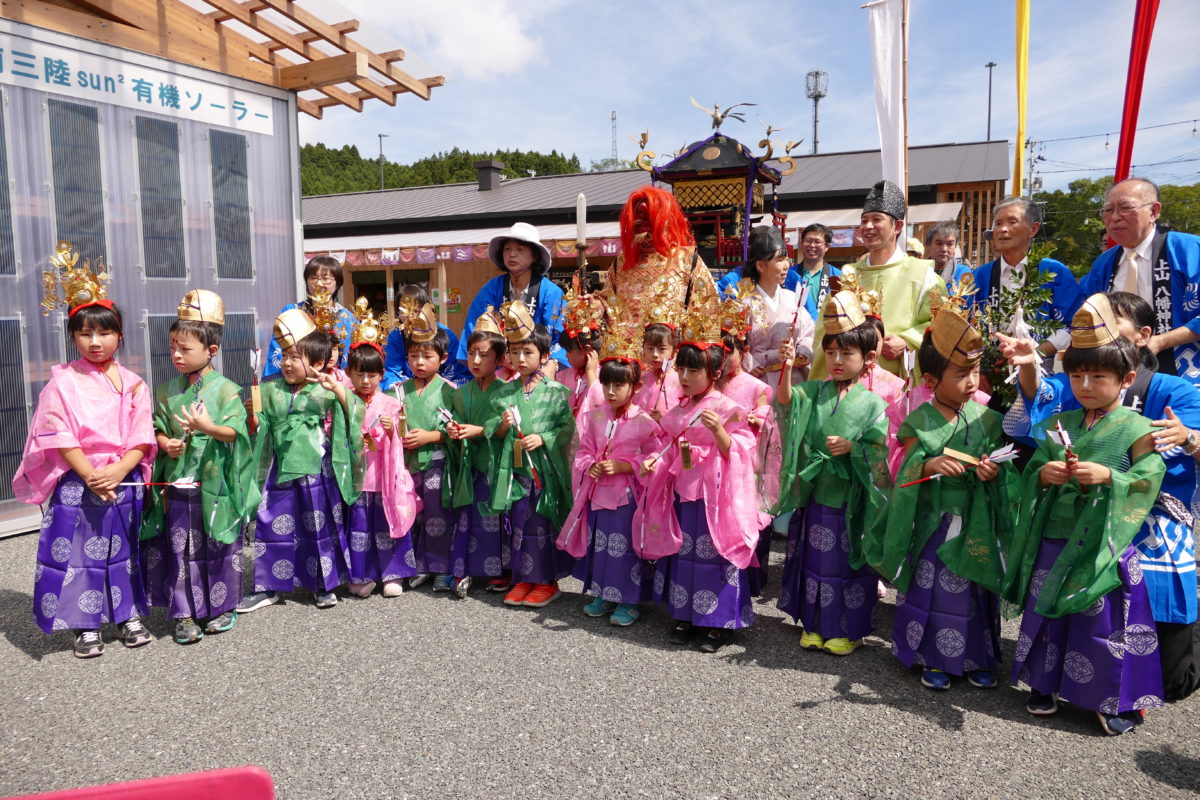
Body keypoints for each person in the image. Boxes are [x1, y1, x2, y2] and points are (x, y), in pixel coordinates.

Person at [998, 291, 1200, 702]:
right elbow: (1040, 406)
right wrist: (1028, 370)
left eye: (1110, 322)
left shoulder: (1175, 390)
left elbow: (1149, 472)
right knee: (1053, 599)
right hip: (1070, 519)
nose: (1085, 385)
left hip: (1151, 516)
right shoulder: (1079, 389)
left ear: (1139, 340)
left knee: (1166, 672)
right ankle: (1048, 680)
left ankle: (1111, 687)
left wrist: (1191, 437)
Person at [14, 244, 155, 658]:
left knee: (123, 548)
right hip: (78, 481)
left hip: (122, 477)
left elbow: (142, 434)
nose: (95, 342)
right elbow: (56, 432)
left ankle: (127, 615)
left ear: (119, 335)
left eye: (105, 332)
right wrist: (91, 473)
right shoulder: (62, 382)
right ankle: (84, 624)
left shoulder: (132, 383)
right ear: (73, 336)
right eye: (85, 333)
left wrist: (118, 470)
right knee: (78, 552)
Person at [871, 299, 1015, 691]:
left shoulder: (988, 417)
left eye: (975, 372)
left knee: (974, 588)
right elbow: (898, 464)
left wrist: (992, 472)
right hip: (934, 519)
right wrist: (928, 466)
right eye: (962, 374)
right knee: (935, 588)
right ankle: (931, 655)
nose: (972, 382)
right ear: (932, 381)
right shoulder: (917, 418)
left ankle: (978, 656)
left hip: (975, 520)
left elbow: (1005, 466)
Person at [634, 289, 760, 653]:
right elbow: (668, 445)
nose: (685, 377)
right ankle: (685, 613)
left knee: (714, 553)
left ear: (714, 372)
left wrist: (720, 432)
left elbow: (744, 450)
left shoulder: (729, 407)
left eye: (694, 370)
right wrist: (654, 460)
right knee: (683, 550)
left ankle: (719, 622)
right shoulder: (678, 410)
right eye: (682, 369)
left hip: (716, 498)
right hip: (683, 491)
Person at [772, 289, 892, 656]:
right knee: (816, 562)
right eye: (832, 352)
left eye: (847, 353)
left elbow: (882, 454)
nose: (837, 360)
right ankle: (814, 624)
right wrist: (788, 369)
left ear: (868, 358)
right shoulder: (815, 390)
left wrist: (855, 449)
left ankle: (849, 630)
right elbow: (788, 407)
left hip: (851, 501)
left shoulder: (874, 403)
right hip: (817, 493)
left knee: (846, 565)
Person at [140, 290, 257, 644]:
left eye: (185, 348)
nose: (176, 354)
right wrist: (165, 444)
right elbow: (157, 428)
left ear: (212, 351)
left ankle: (222, 606)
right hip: (178, 484)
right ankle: (184, 613)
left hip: (216, 484)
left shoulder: (227, 391)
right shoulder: (165, 391)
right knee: (181, 547)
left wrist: (208, 428)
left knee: (219, 544)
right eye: (173, 346)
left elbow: (237, 434)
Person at [238, 309, 363, 613]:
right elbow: (256, 425)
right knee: (270, 523)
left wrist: (340, 393)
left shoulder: (326, 389)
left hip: (314, 464)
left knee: (317, 524)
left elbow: (355, 413)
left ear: (318, 363)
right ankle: (268, 586)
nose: (286, 363)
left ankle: (322, 584)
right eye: (284, 356)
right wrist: (252, 417)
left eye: (295, 357)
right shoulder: (269, 388)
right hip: (278, 465)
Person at [558, 334, 662, 627]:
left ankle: (629, 599)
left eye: (619, 385)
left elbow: (655, 458)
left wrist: (626, 465)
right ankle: (603, 593)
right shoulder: (596, 416)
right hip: (597, 493)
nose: (611, 391)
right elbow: (584, 451)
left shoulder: (644, 422)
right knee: (600, 545)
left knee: (623, 547)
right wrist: (589, 465)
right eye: (607, 384)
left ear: (636, 387)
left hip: (627, 497)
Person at [810, 180, 943, 379]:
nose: (868, 226)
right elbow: (824, 327)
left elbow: (941, 325)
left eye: (876, 219)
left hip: (899, 381)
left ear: (897, 226)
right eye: (864, 221)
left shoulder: (924, 276)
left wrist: (907, 340)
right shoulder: (849, 275)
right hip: (851, 383)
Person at [491, 301, 576, 608]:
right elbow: (493, 434)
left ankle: (547, 580)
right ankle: (523, 578)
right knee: (518, 525)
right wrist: (502, 426)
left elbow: (567, 429)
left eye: (527, 352)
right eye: (514, 352)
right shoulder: (503, 392)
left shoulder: (556, 392)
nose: (520, 358)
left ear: (545, 356)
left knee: (541, 525)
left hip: (544, 471)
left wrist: (544, 437)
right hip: (515, 471)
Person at [1080, 178, 1200, 386]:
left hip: (1184, 364)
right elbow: (1085, 310)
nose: (1115, 217)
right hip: (1119, 367)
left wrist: (1161, 341)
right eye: (1108, 210)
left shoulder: (1188, 249)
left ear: (1154, 211)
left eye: (1125, 208)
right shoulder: (1105, 263)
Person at [344, 302, 420, 599]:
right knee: (360, 529)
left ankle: (394, 575)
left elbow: (403, 435)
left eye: (373, 375)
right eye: (360, 374)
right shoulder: (345, 401)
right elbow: (333, 431)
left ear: (381, 374)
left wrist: (392, 429)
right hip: (358, 476)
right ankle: (361, 576)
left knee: (388, 524)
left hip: (384, 475)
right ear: (349, 372)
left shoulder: (390, 403)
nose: (366, 381)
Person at [446, 308, 513, 594]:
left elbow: (506, 427)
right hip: (470, 464)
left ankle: (502, 570)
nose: (475, 360)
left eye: (483, 354)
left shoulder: (508, 391)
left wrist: (481, 430)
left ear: (498, 359)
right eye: (472, 352)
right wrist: (453, 431)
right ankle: (467, 568)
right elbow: (451, 419)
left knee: (495, 516)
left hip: (496, 464)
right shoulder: (460, 393)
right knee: (469, 517)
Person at [967, 197, 1083, 359]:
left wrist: (1035, 354)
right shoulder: (980, 276)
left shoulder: (1054, 271)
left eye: (1012, 222)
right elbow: (967, 325)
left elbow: (1074, 324)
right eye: (998, 224)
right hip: (991, 369)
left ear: (1033, 229)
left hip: (1041, 368)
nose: (1002, 229)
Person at [396, 303, 459, 594]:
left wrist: (432, 437)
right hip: (406, 463)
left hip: (436, 461)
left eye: (427, 356)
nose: (419, 362)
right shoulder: (398, 389)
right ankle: (417, 565)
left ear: (443, 358)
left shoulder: (450, 390)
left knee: (437, 515)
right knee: (412, 513)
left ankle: (440, 567)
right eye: (413, 356)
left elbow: (457, 430)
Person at [715, 299, 775, 594]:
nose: (724, 360)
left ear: (745, 351)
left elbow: (764, 422)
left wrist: (753, 419)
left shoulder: (755, 386)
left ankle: (751, 581)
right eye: (719, 353)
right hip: (715, 460)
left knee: (746, 517)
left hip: (745, 464)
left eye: (730, 353)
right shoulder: (711, 384)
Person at [602, 186, 718, 338]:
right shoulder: (621, 262)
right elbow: (607, 300)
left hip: (672, 356)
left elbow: (707, 311)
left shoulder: (687, 260)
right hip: (628, 357)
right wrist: (595, 305)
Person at [457, 222, 567, 370]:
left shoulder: (550, 292)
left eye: (520, 249)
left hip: (540, 369)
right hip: (497, 368)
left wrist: (551, 363)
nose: (512, 254)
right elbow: (474, 332)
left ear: (534, 255)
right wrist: (500, 358)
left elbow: (561, 337)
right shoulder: (490, 290)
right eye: (507, 249)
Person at [739, 225, 815, 384]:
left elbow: (809, 334)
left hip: (794, 381)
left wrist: (801, 352)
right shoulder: (744, 305)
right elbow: (734, 349)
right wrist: (749, 362)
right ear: (760, 265)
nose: (786, 265)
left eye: (786, 259)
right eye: (779, 260)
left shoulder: (792, 299)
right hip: (760, 383)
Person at [264, 255, 355, 378]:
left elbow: (349, 357)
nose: (318, 283)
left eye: (325, 278)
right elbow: (278, 350)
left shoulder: (347, 318)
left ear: (337, 283)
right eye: (313, 278)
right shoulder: (292, 312)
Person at [383, 284, 469, 390]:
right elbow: (392, 371)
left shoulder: (446, 335)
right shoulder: (395, 337)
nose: (410, 317)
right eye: (404, 311)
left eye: (416, 311)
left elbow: (458, 372)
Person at [555, 289, 606, 419]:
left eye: (569, 351)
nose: (566, 356)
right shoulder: (563, 376)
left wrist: (590, 373)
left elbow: (599, 404)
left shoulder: (604, 375)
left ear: (587, 350)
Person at [794, 223, 841, 321]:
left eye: (817, 242)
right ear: (802, 243)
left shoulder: (838, 276)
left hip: (826, 331)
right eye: (808, 241)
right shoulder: (790, 274)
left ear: (827, 246)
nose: (812, 245)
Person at [924, 221, 973, 290]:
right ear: (928, 245)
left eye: (950, 244)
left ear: (955, 246)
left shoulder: (963, 273)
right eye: (939, 244)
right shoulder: (920, 271)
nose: (944, 249)